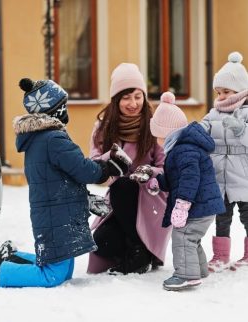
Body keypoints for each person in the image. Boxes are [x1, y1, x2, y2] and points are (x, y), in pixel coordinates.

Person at [0, 78, 131, 287]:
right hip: (56, 215)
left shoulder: (42, 138)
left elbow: (68, 170)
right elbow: (82, 170)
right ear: (55, 110)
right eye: (64, 106)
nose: (66, 110)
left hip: (56, 211)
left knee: (64, 271)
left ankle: (10, 254)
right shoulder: (53, 139)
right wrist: (107, 169)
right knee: (52, 276)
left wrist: (91, 184)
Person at [87, 63, 171, 275]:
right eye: (126, 97)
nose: (133, 103)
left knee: (124, 185)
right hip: (119, 201)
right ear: (116, 100)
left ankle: (139, 255)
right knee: (102, 241)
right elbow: (94, 165)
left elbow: (166, 168)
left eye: (137, 96)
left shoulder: (154, 125)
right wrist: (111, 159)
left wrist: (148, 172)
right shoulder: (103, 128)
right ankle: (139, 249)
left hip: (151, 196)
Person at [148, 91, 225, 291]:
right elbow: (177, 179)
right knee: (192, 238)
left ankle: (186, 275)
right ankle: (199, 270)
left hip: (197, 205)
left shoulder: (184, 151)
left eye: (158, 136)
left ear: (167, 133)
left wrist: (182, 205)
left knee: (183, 236)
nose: (157, 141)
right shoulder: (182, 149)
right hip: (203, 205)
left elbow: (190, 179)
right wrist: (159, 182)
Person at [200, 52, 248, 272]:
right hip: (220, 175)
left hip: (244, 174)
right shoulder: (213, 114)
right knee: (222, 216)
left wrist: (242, 130)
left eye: (226, 91)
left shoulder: (245, 113)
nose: (221, 96)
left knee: (247, 217)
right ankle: (220, 255)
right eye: (218, 92)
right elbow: (202, 130)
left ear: (240, 90)